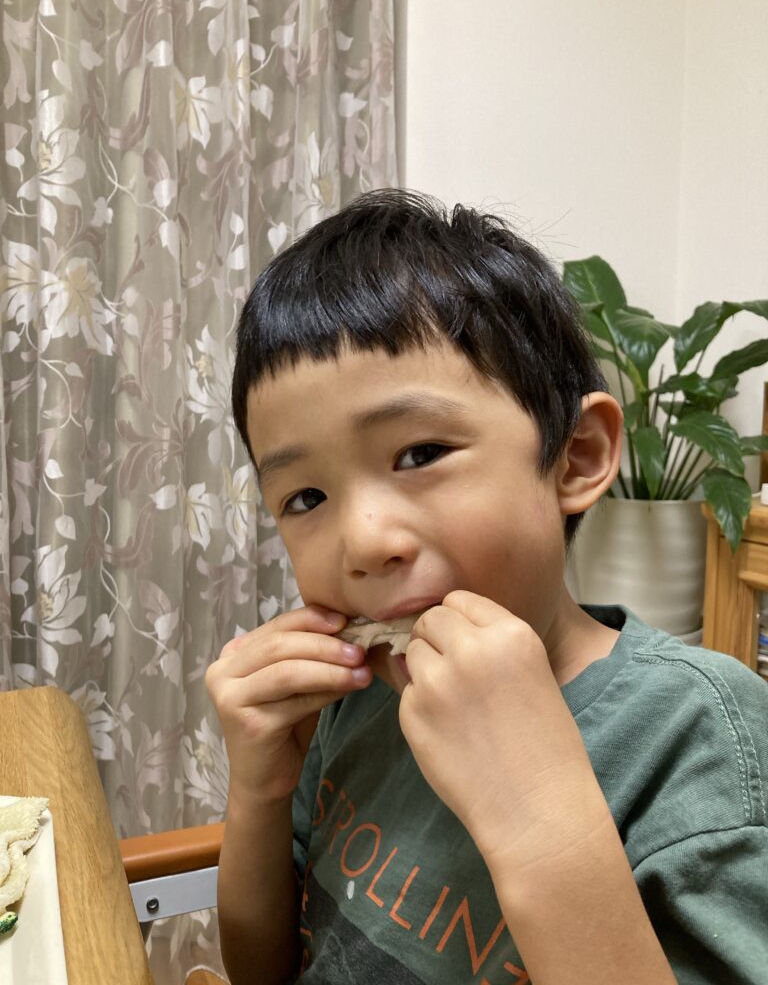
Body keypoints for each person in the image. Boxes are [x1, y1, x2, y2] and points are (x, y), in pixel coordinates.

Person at [205, 190, 768, 985]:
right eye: (305, 497)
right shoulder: (357, 703)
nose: (363, 543)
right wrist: (259, 792)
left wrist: (542, 823)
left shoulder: (702, 737)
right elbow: (262, 969)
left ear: (576, 456)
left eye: (420, 454)